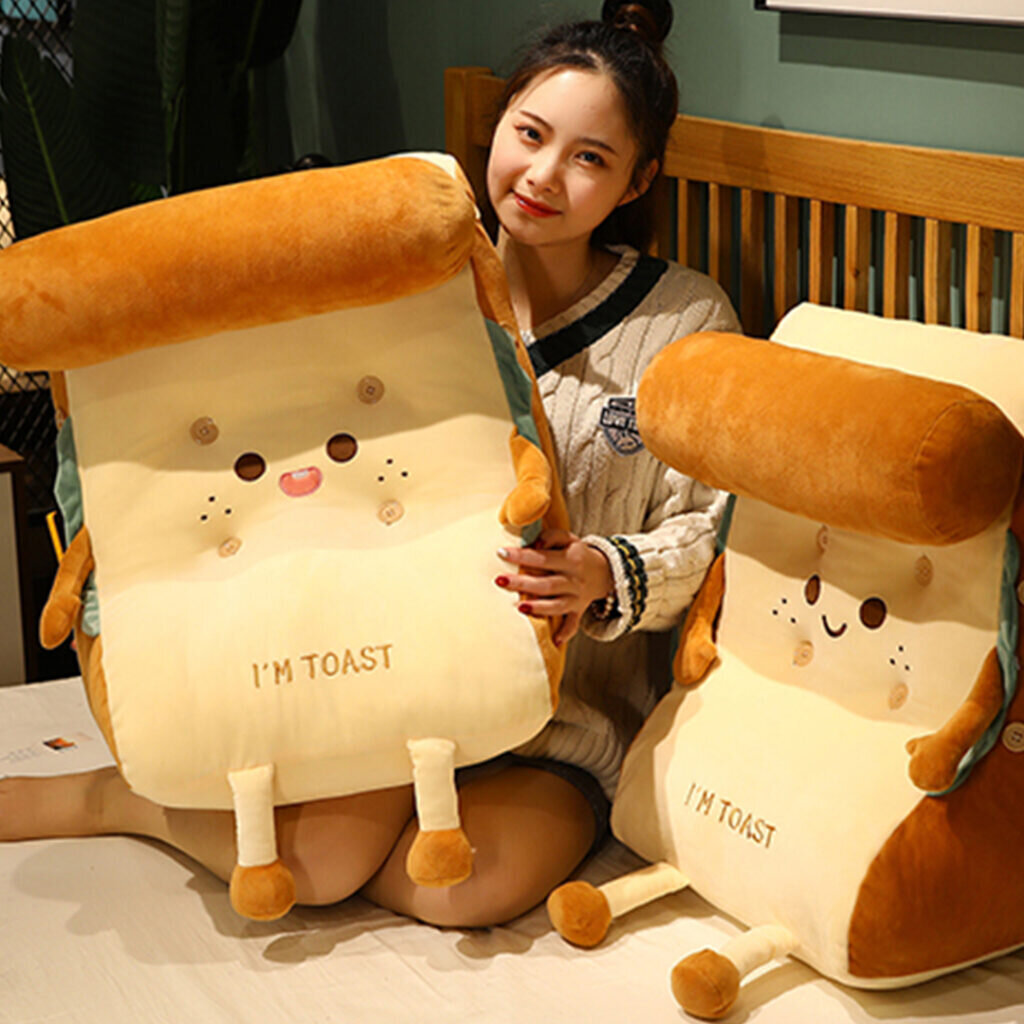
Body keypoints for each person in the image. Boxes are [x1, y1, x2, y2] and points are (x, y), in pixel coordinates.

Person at [0, 0, 739, 928]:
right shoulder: (410, 287)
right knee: (314, 869)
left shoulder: (682, 321)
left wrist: (604, 571)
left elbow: (713, 530)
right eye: (530, 134)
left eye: (589, 158)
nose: (543, 176)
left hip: (567, 720)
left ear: (638, 181)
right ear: (498, 127)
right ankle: (118, 798)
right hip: (389, 674)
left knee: (460, 890)